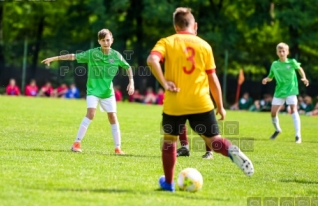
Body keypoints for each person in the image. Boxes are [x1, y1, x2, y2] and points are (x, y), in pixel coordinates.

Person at [147, 7, 254, 192]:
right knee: (215, 141)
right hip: (201, 102)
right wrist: (220, 106)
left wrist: (164, 83)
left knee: (169, 142)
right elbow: (213, 79)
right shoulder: (205, 45)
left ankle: (169, 183)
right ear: (194, 26)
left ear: (175, 26)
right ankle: (231, 151)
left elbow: (151, 60)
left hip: (175, 102)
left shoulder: (167, 41)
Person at [41, 28, 134, 154]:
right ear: (99, 42)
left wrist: (131, 82)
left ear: (112, 40)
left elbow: (127, 67)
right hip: (93, 91)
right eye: (103, 40)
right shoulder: (92, 54)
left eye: (108, 40)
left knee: (112, 117)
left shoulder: (116, 55)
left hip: (108, 92)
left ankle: (118, 148)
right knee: (91, 113)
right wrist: (54, 58)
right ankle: (76, 143)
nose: (106, 42)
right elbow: (73, 56)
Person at [262, 42, 309, 144]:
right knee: (273, 113)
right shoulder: (274, 64)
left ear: (287, 52)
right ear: (277, 53)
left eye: (284, 51)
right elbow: (270, 77)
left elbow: (300, 69)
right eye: (280, 51)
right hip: (279, 91)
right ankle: (277, 129)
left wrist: (304, 77)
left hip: (291, 90)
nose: (282, 53)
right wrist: (266, 79)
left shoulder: (292, 62)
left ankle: (298, 136)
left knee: (293, 109)